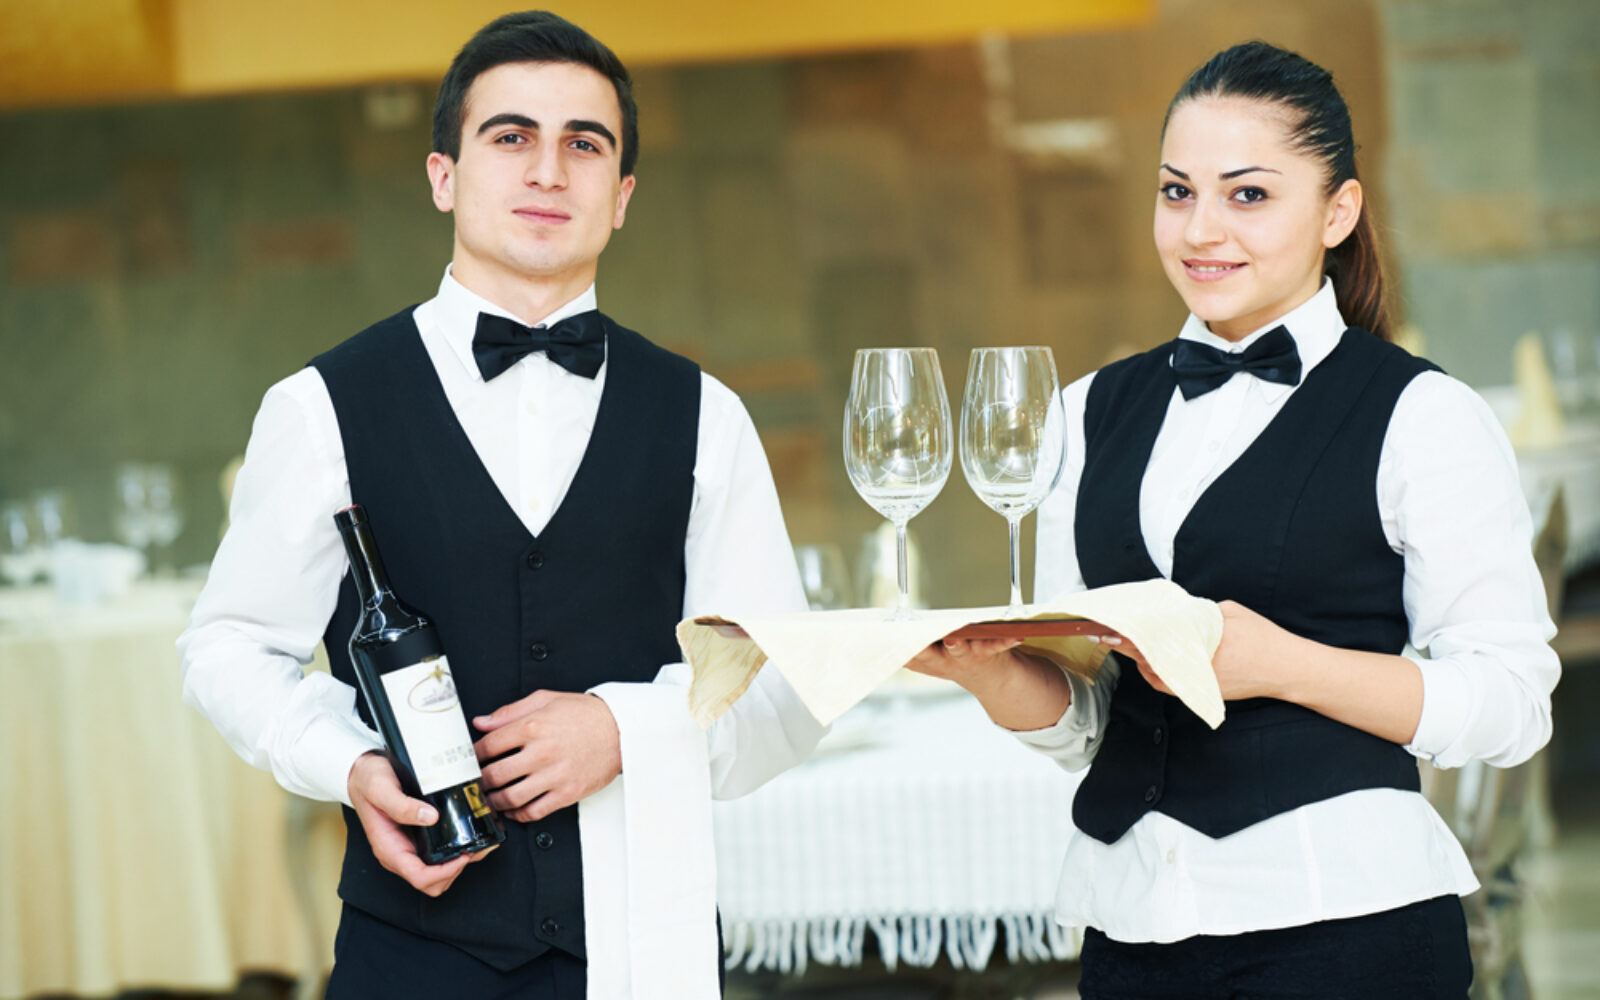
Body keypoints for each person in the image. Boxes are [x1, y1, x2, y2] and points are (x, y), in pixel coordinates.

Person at [177, 10, 824, 998]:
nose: (548, 171)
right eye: (511, 136)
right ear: (444, 176)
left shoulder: (707, 416)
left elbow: (784, 683)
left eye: (584, 144)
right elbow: (227, 646)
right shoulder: (320, 406)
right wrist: (349, 763)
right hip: (409, 957)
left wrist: (626, 728)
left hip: (640, 950)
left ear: (622, 197)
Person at [909, 41, 1558, 998]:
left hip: (1349, 930)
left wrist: (1284, 665)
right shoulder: (1083, 414)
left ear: (1338, 212)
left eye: (1248, 194)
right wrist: (990, 673)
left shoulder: (1423, 416)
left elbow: (1511, 702)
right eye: (1177, 192)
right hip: (1134, 933)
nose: (1200, 229)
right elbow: (1092, 725)